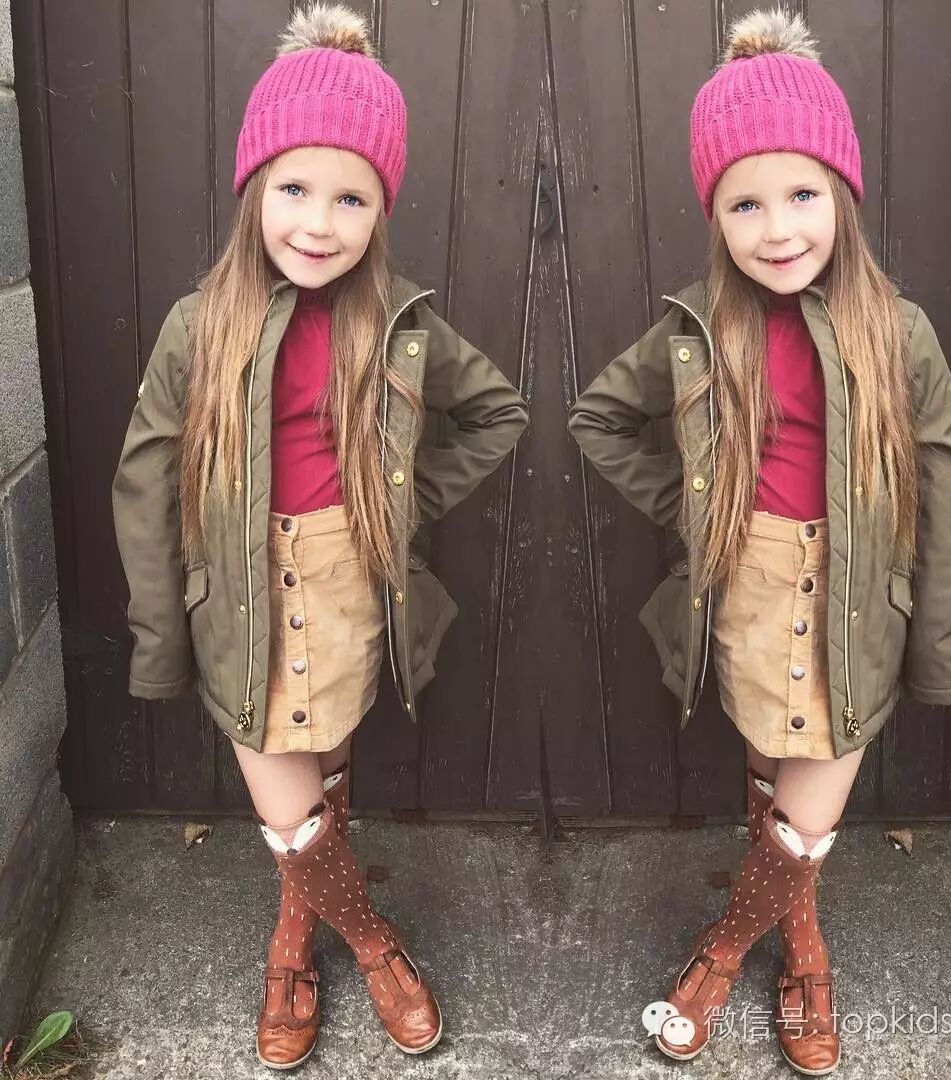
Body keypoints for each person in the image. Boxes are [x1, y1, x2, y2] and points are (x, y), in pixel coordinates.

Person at [112, 3, 528, 1069]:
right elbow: (145, 483)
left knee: (325, 777)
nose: (319, 222)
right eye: (295, 189)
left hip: (348, 589)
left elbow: (498, 413)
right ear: (255, 188)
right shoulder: (198, 327)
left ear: (380, 210)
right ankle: (363, 942)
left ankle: (296, 932)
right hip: (239, 601)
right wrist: (161, 636)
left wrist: (397, 498)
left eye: (352, 198)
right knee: (290, 808)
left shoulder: (398, 326)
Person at [569, 8, 951, 1073]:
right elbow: (598, 419)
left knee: (807, 814)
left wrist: (934, 640)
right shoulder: (699, 330)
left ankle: (732, 954)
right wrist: (700, 505)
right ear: (716, 217)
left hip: (856, 607)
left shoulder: (899, 332)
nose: (778, 228)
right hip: (748, 594)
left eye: (802, 195)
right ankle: (798, 941)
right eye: (745, 203)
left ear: (842, 194)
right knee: (771, 784)